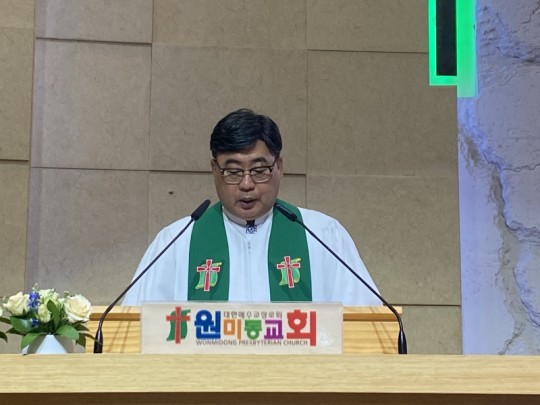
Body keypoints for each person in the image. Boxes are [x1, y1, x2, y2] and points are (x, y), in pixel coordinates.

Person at [123, 109, 381, 306]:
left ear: (279, 167)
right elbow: (134, 328)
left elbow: (367, 322)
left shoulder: (322, 235)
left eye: (259, 170)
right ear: (214, 170)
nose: (247, 184)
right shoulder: (177, 241)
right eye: (233, 171)